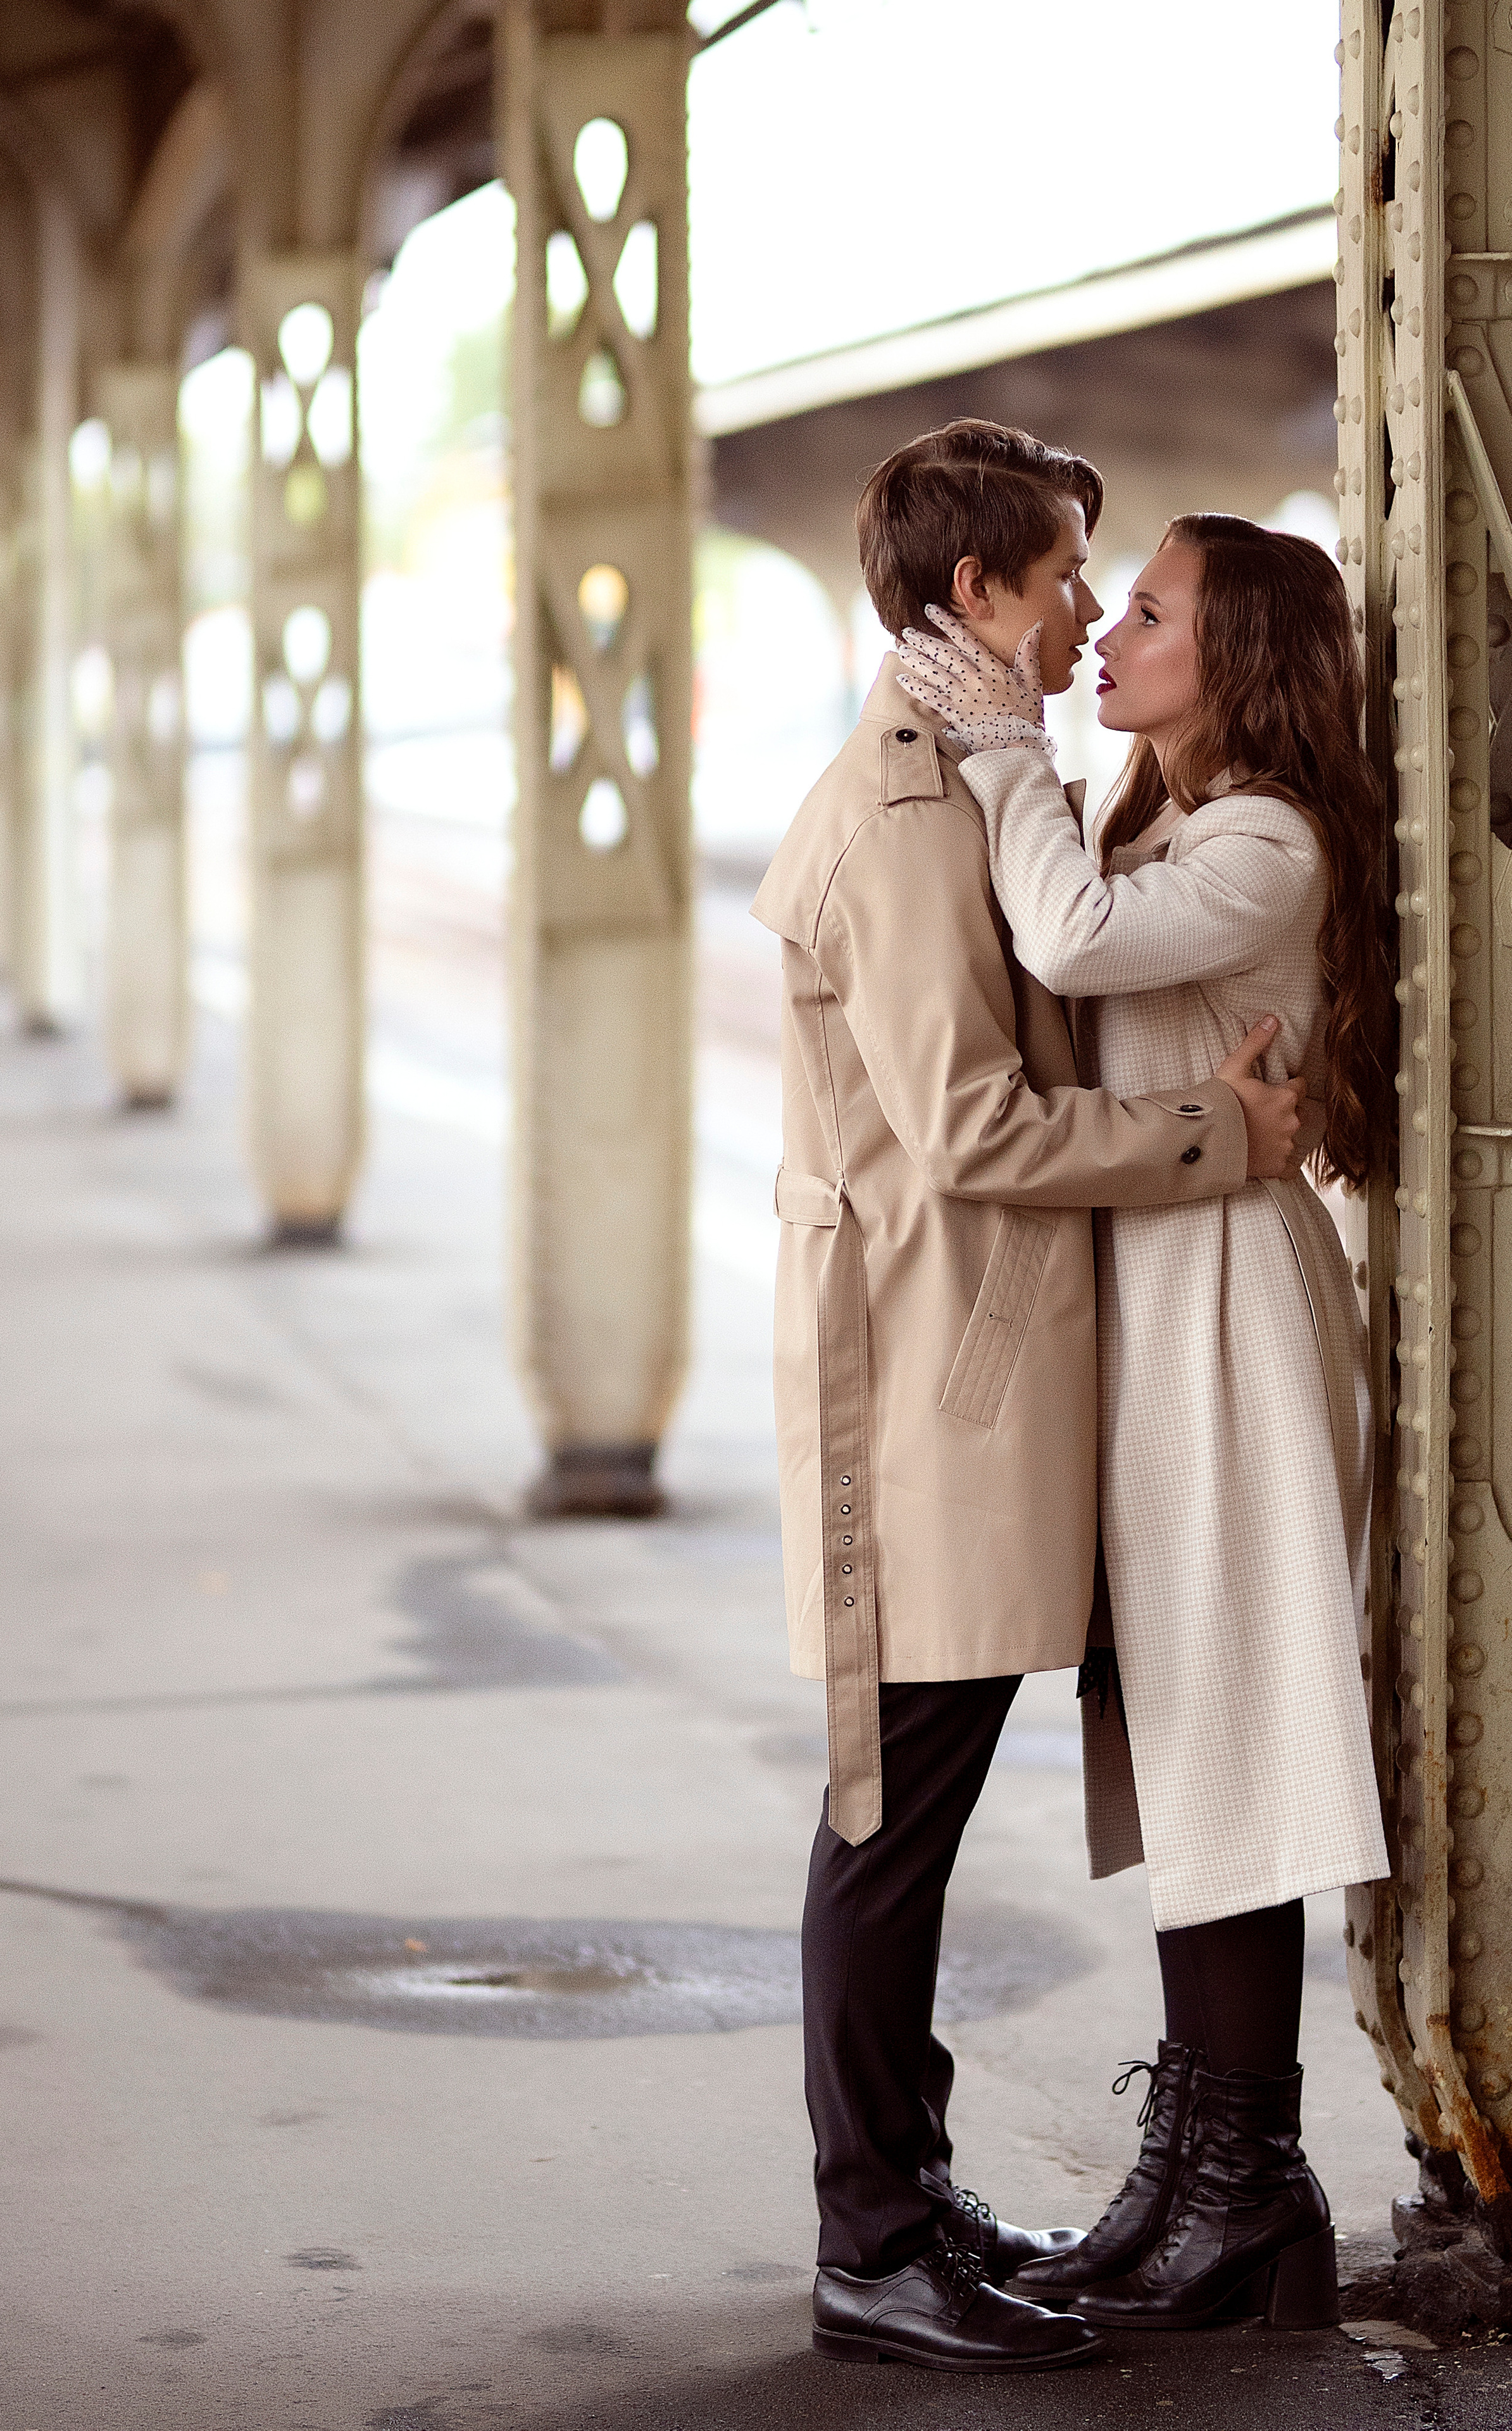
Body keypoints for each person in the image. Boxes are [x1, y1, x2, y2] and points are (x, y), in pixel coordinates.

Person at [749, 424, 1307, 2373]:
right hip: (936, 1371)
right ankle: (874, 2242)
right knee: (886, 1816)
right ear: (975, 592)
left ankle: (909, 2208)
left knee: (903, 1805)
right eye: (1071, 573)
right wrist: (1215, 1137)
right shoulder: (918, 811)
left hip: (974, 1363)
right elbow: (976, 1122)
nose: (1083, 609)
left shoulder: (965, 776)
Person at [897, 512, 1390, 2333]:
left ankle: (1249, 2195)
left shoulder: (1264, 839)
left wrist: (1003, 747)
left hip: (1235, 1319)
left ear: (1240, 652)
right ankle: (1200, 2177)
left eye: (1153, 610)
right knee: (1182, 1739)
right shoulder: (1165, 819)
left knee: (1235, 1736)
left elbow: (1073, 942)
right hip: (1162, 1306)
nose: (1105, 629)